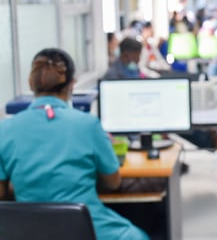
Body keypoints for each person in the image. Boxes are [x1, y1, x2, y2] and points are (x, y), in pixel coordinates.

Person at [0, 48, 149, 240]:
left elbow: (2, 193)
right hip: (85, 228)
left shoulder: (5, 129)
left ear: (31, 83)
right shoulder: (88, 125)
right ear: (72, 84)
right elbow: (113, 182)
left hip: (29, 230)